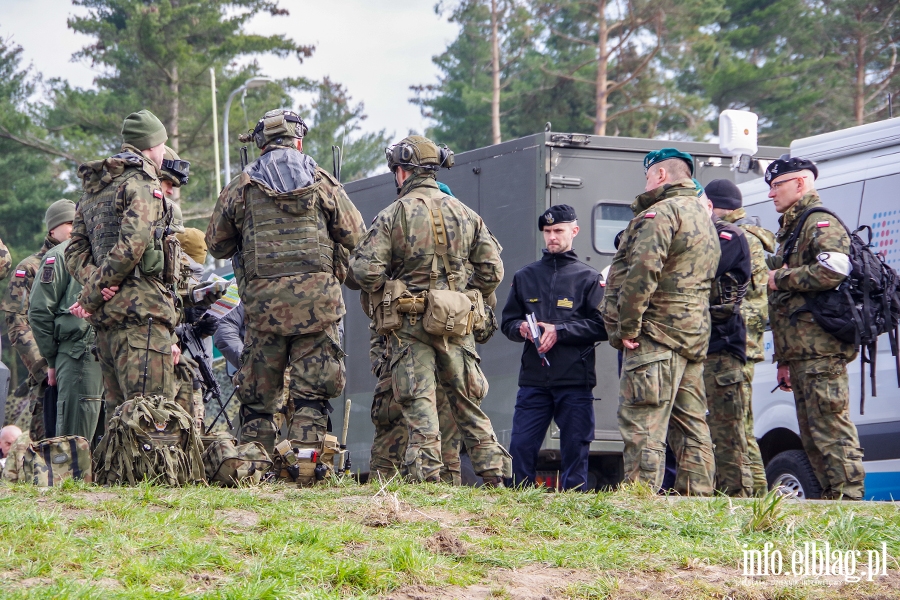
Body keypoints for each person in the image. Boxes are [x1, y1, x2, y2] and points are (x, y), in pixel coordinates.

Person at [350, 135, 511, 485]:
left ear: (402, 172)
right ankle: (496, 476)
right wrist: (463, 300)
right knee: (468, 403)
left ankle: (428, 479)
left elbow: (364, 271)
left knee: (419, 400)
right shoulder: (467, 213)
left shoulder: (394, 214)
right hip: (456, 323)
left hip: (410, 325)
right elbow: (493, 271)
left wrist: (392, 289)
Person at [206, 108, 365, 454]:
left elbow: (216, 245)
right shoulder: (324, 181)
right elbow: (356, 236)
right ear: (299, 141)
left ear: (261, 144)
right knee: (311, 399)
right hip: (319, 308)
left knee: (258, 401)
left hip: (264, 311)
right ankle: (306, 473)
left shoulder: (241, 186)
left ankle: (254, 469)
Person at [602, 148, 720, 496]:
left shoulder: (660, 214)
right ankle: (699, 502)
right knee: (691, 425)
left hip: (656, 334)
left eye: (648, 174)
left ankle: (641, 502)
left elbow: (642, 272)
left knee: (643, 420)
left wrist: (627, 326)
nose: (647, 181)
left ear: (661, 175)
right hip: (692, 336)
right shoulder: (703, 218)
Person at [65, 110, 181, 411]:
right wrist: (97, 290)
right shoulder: (141, 181)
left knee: (120, 425)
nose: (162, 153)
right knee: (151, 421)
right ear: (151, 145)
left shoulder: (94, 189)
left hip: (108, 321)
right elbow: (134, 243)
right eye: (161, 146)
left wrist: (97, 283)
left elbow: (74, 251)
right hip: (142, 315)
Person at [765, 157, 864, 500]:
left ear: (801, 183)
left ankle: (850, 503)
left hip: (821, 349)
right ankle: (830, 501)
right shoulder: (792, 227)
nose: (770, 193)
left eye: (777, 186)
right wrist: (784, 360)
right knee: (812, 435)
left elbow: (834, 271)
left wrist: (779, 278)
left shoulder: (818, 222)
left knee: (832, 430)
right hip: (802, 352)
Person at [500, 204, 607, 490]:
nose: (552, 237)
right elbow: (507, 321)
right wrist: (520, 328)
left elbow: (603, 326)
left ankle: (575, 504)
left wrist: (559, 330)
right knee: (521, 443)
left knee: (576, 446)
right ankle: (519, 500)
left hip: (575, 378)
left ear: (574, 231)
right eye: (547, 232)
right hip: (534, 379)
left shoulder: (588, 277)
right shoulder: (525, 276)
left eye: (558, 230)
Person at [706, 179, 774, 494]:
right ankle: (759, 499)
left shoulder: (730, 236)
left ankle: (752, 497)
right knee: (743, 428)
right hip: (748, 340)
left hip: (733, 341)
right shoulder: (752, 235)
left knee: (735, 429)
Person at [28, 208, 105, 442]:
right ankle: (73, 479)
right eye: (68, 222)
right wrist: (51, 359)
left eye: (76, 221)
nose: (73, 227)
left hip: (105, 352)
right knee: (75, 439)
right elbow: (39, 312)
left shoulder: (104, 252)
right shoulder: (59, 256)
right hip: (77, 353)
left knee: (99, 435)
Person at [1, 199, 74, 437]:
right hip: (49, 376)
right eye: (70, 223)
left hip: (82, 367)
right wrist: (45, 368)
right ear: (53, 228)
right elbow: (17, 323)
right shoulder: (31, 268)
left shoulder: (87, 265)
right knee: (48, 444)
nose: (76, 229)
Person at [700, 193, 754, 497]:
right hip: (695, 348)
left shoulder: (727, 236)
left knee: (728, 434)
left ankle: (737, 499)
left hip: (722, 348)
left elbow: (702, 269)